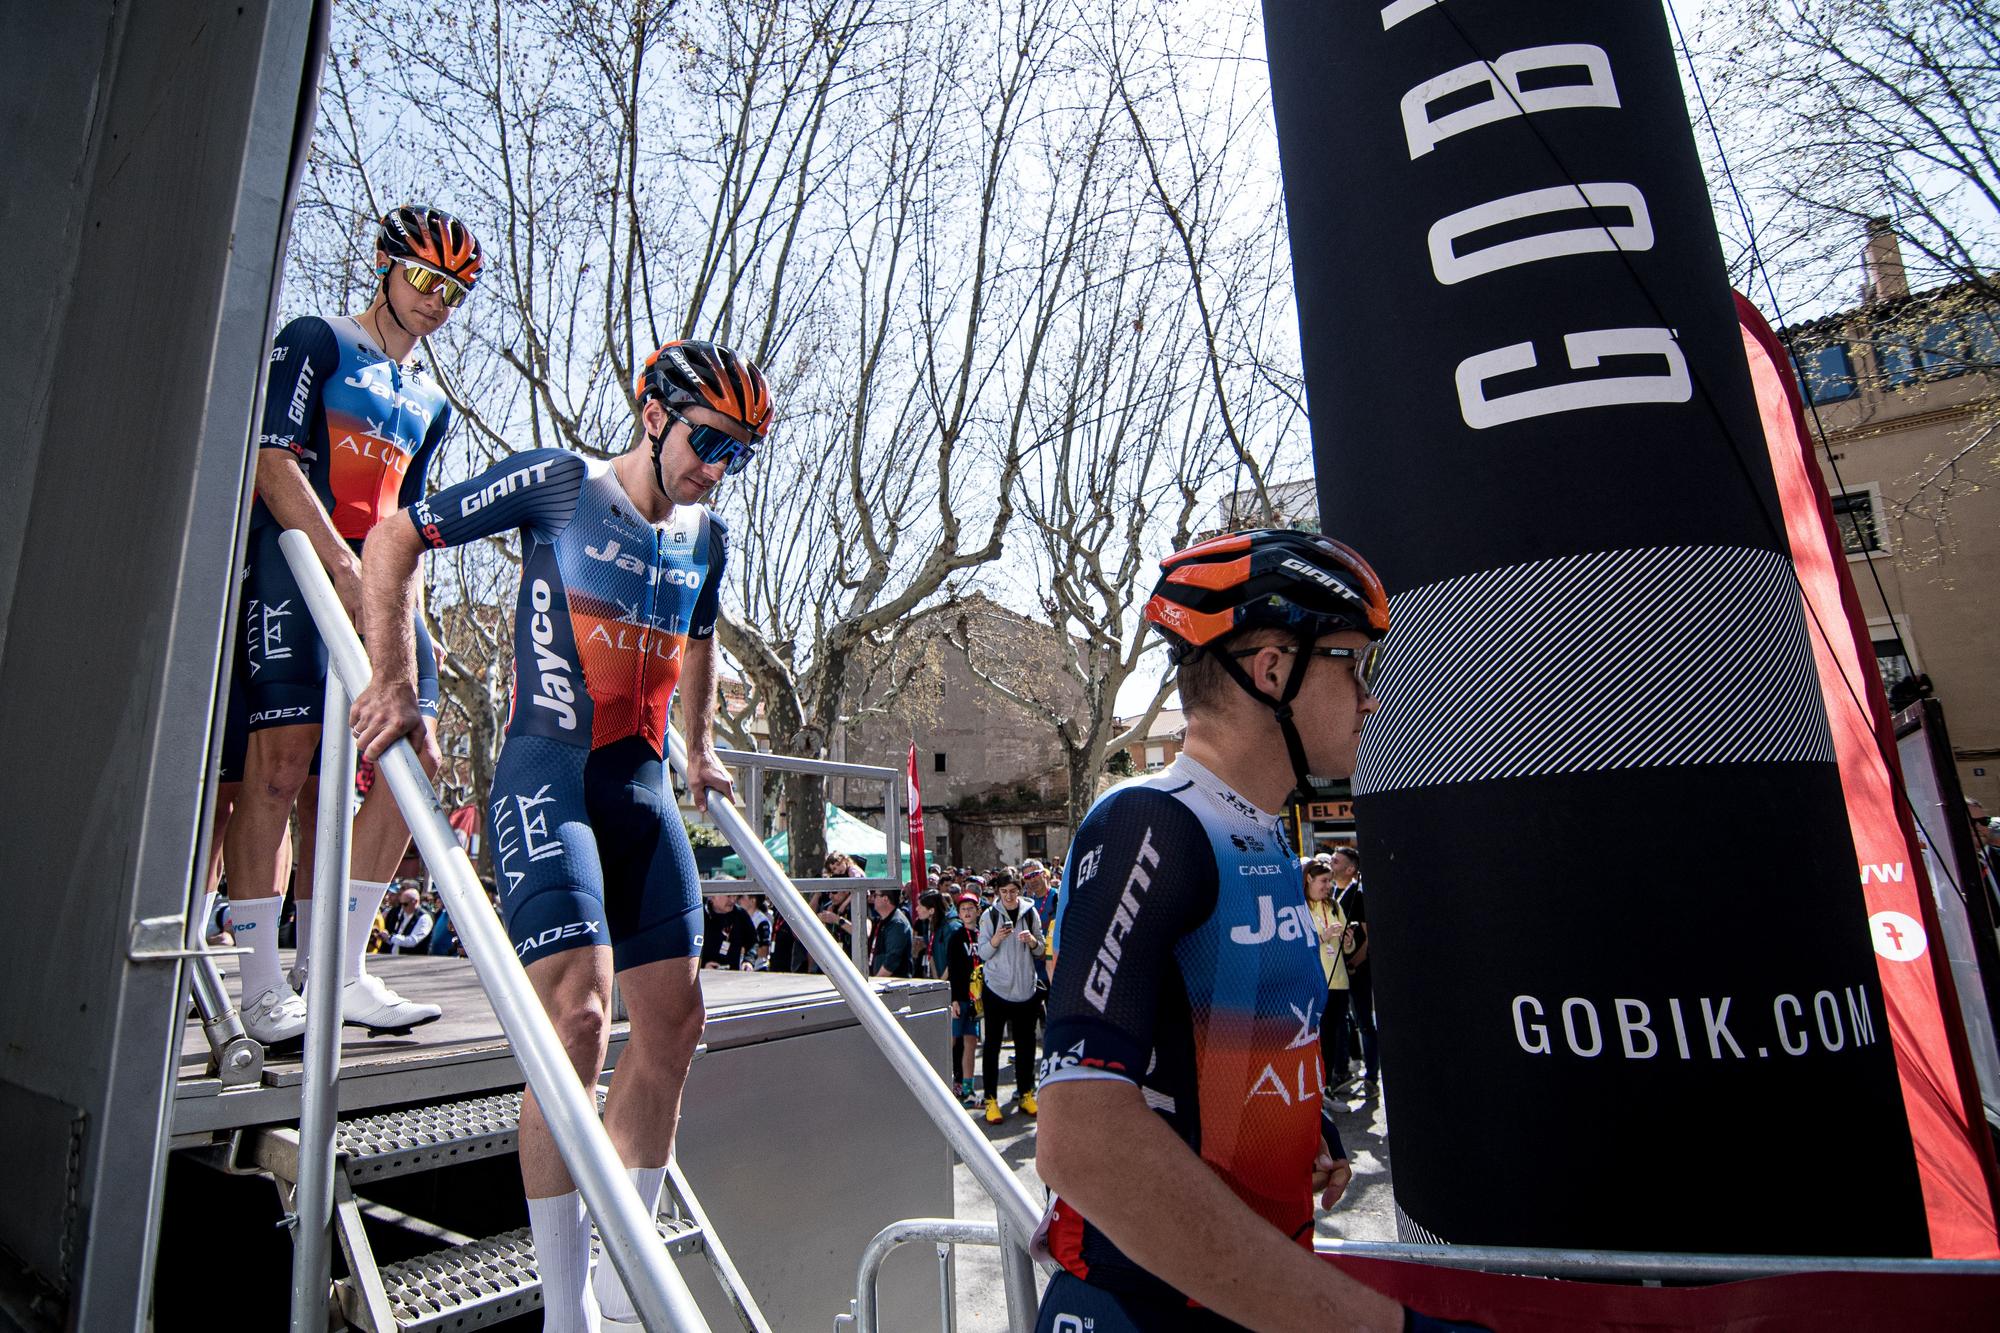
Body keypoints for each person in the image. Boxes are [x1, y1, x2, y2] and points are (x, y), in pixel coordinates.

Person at [350, 337, 772, 1333]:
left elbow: (701, 640)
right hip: (548, 774)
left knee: (674, 1023)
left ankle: (630, 1272)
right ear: (654, 413)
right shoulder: (560, 482)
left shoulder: (704, 537)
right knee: (575, 1022)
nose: (717, 467)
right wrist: (395, 677)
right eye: (710, 439)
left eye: (740, 453)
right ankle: (566, 1304)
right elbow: (393, 541)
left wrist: (701, 749)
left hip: (641, 786)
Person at [1033, 528, 1424, 1333]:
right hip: (1141, 1310)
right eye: (1357, 663)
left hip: (1246, 1301)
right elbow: (1079, 1139)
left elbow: (1209, 1042)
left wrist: (1297, 1124)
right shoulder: (1154, 822)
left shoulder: (1267, 834)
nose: (1371, 697)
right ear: (1273, 668)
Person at [222, 205, 483, 1046]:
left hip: (382, 595)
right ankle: (261, 987)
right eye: (425, 279)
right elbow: (271, 461)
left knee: (409, 766)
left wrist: (408, 613)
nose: (438, 300)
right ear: (385, 265)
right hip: (297, 566)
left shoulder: (431, 401)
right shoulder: (317, 339)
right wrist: (341, 565)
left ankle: (340, 972)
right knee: (282, 767)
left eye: (455, 289)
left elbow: (408, 519)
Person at [975, 869, 1043, 1124]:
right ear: (998, 893)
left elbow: (1041, 950)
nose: (1009, 897)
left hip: (1026, 988)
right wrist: (995, 940)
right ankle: (991, 1099)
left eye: (1013, 891)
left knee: (1025, 1045)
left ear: (1020, 890)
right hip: (998, 989)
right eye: (1004, 892)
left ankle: (1026, 1092)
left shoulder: (1030, 912)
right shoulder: (989, 915)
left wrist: (1033, 942)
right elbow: (982, 953)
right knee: (992, 1045)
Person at [1329, 846, 1378, 1095]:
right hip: (1338, 970)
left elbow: (1368, 937)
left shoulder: (1358, 895)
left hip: (1358, 969)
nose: (1331, 861)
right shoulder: (1330, 892)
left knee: (1364, 1021)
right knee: (1341, 1021)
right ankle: (1342, 1071)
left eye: (1336, 860)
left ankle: (1371, 1077)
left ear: (1350, 869)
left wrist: (1355, 962)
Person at [1302, 860, 1351, 1096]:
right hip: (1315, 982)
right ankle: (1315, 1090)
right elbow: (1301, 944)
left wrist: (1348, 941)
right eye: (1324, 881)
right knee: (1316, 1038)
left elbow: (1345, 947)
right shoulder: (1300, 907)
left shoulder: (1334, 905)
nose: (1328, 886)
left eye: (1330, 881)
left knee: (1332, 1036)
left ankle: (1328, 1086)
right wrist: (1323, 936)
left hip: (1339, 981)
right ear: (1309, 879)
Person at [943, 891, 981, 1105]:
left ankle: (968, 1086)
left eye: (970, 909)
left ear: (977, 911)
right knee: (952, 1040)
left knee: (971, 1041)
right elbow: (954, 969)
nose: (967, 913)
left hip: (977, 999)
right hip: (960, 997)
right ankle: (943, 1081)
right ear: (958, 913)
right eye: (963, 909)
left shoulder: (983, 934)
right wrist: (954, 998)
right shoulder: (956, 937)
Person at [701, 892, 758, 971]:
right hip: (704, 974)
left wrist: (748, 961)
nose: (732, 900)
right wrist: (702, 965)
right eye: (728, 896)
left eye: (734, 896)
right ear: (712, 896)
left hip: (732, 974)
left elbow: (753, 942)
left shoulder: (740, 915)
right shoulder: (700, 915)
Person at [868, 888, 915, 978]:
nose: (873, 899)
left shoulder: (897, 923)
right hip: (881, 983)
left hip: (893, 986)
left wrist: (875, 983)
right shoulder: (881, 921)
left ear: (885, 899)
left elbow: (892, 960)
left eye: (875, 895)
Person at [381, 885, 435, 955]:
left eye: (405, 904)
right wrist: (386, 938)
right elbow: (398, 939)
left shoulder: (424, 918)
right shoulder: (404, 915)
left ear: (415, 902)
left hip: (414, 960)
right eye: (401, 904)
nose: (402, 907)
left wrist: (390, 937)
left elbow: (412, 941)